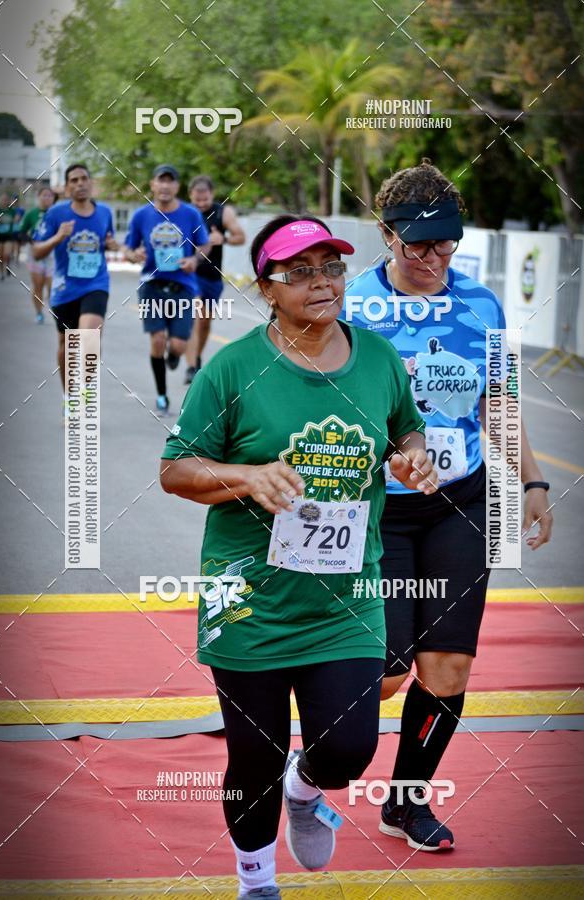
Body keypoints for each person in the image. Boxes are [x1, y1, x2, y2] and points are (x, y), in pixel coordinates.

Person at [160, 214, 438, 900]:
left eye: (332, 267)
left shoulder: (376, 357)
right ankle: (257, 883)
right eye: (301, 272)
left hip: (346, 597)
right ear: (267, 288)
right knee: (252, 754)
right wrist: (248, 478)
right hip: (249, 597)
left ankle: (307, 786)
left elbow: (407, 426)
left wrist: (414, 458)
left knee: (347, 750)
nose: (323, 282)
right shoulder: (231, 368)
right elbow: (175, 470)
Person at [344, 159, 553, 852]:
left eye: (446, 243)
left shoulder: (482, 306)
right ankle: (314, 761)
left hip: (459, 502)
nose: (433, 258)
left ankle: (406, 803)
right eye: (416, 245)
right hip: (378, 510)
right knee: (388, 671)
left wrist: (532, 481)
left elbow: (499, 401)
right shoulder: (352, 308)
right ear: (385, 235)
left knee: (448, 668)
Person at [124, 165, 209, 414]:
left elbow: (204, 244)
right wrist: (133, 255)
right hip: (151, 284)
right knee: (158, 339)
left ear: (177, 187)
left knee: (179, 346)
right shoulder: (141, 216)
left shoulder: (191, 214)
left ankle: (174, 357)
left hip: (182, 285)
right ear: (152, 184)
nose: (165, 186)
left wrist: (194, 260)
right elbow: (128, 249)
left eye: (170, 182)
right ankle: (162, 395)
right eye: (160, 181)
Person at [32, 164, 117, 412]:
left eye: (83, 179)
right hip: (64, 289)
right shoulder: (56, 214)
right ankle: (69, 398)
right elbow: (37, 251)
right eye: (73, 180)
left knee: (90, 338)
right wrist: (58, 237)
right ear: (67, 187)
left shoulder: (104, 213)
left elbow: (108, 242)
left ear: (90, 183)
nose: (79, 183)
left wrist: (113, 246)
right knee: (66, 345)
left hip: (96, 284)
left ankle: (82, 390)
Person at [183, 175, 246, 383]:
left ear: (212, 194)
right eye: (197, 200)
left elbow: (241, 237)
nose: (201, 204)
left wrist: (223, 239)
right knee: (195, 315)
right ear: (190, 195)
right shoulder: (184, 213)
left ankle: (196, 356)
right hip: (190, 274)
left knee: (204, 322)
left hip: (213, 275)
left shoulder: (223, 212)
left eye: (205, 199)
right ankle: (191, 367)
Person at [20, 186, 57, 323]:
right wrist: (31, 241)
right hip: (35, 253)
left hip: (53, 254)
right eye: (44, 195)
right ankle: (39, 313)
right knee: (38, 285)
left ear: (53, 198)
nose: (47, 198)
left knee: (53, 286)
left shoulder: (57, 213)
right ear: (39, 197)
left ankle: (56, 313)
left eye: (50, 196)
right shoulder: (31, 213)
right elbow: (22, 232)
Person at [0, 192, 17, 279]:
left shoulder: (12, 210)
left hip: (9, 235)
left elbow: (16, 220)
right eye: (3, 200)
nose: (4, 201)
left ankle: (7, 265)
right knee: (0, 257)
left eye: (6, 200)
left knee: (6, 254)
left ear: (8, 201)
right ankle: (2, 274)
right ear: (0, 201)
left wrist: (16, 220)